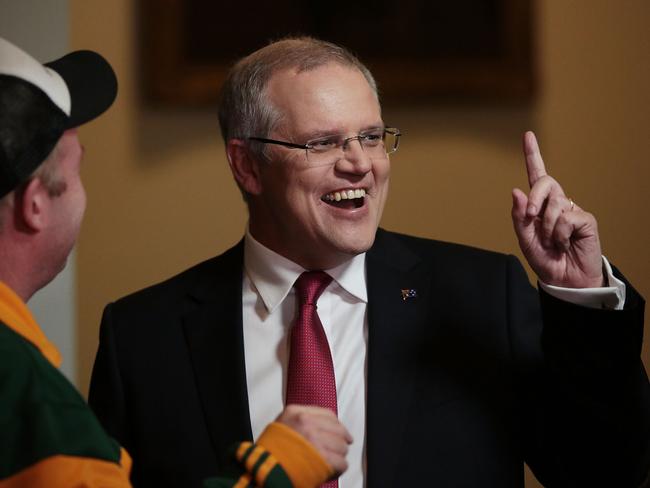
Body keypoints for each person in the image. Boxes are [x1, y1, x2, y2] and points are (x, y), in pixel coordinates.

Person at [88, 37, 650, 487]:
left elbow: (607, 472)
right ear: (247, 167)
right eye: (324, 143)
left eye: (372, 137)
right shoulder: (141, 337)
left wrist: (581, 296)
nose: (360, 164)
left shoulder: (481, 294)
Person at [0, 37, 350, 488]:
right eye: (76, 171)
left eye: (373, 136)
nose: (356, 162)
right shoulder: (33, 405)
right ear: (35, 205)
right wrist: (272, 472)